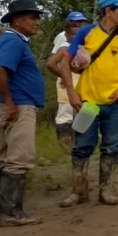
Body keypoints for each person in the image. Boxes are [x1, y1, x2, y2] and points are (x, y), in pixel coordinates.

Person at [56, 0, 118, 208]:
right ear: (108, 11)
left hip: (116, 105)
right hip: (88, 104)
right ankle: (79, 191)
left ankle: (106, 190)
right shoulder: (86, 32)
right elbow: (65, 63)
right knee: (81, 147)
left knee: (111, 147)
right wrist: (72, 93)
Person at [0, 0, 46, 226]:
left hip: (8, 104)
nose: (37, 22)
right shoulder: (14, 42)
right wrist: (10, 102)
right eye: (33, 17)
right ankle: (12, 213)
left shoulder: (7, 41)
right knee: (19, 159)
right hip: (17, 107)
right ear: (17, 20)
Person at [47, 11, 88, 149]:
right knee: (65, 111)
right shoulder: (63, 43)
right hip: (67, 78)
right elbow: (52, 61)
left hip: (81, 79)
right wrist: (64, 76)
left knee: (82, 110)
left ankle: (80, 141)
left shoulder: (84, 41)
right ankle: (64, 142)